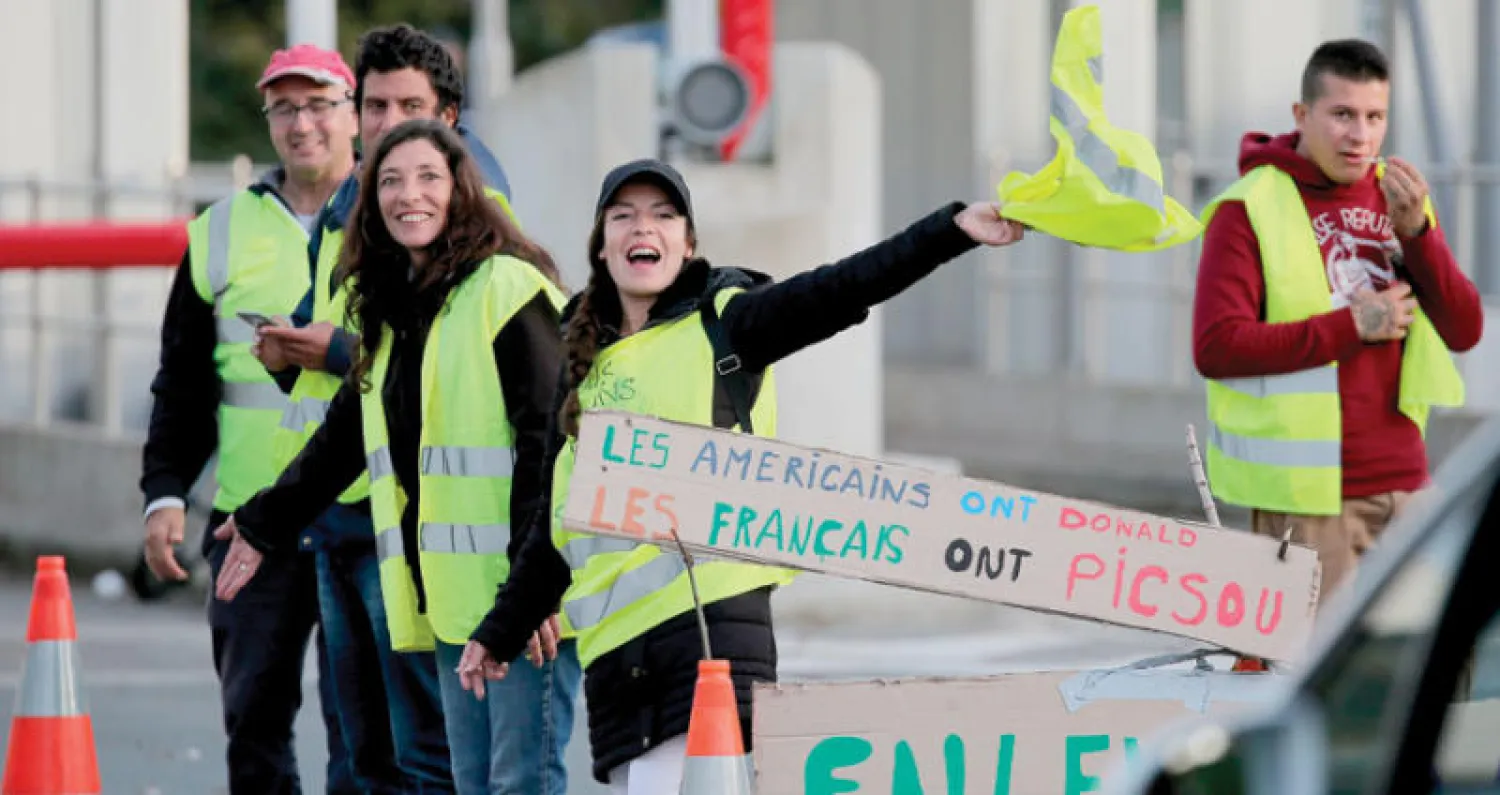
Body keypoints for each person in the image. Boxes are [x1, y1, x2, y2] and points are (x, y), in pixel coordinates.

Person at [461, 158, 1027, 793]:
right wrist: (499, 631)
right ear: (602, 246)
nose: (641, 228)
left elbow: (845, 285)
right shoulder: (581, 362)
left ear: (688, 243)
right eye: (622, 217)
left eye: (663, 216)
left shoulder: (726, 322)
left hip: (710, 648)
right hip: (618, 671)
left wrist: (952, 229)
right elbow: (557, 526)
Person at [216, 119, 579, 795]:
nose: (408, 194)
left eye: (428, 177)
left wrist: (534, 589)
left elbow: (550, 439)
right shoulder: (395, 308)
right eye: (389, 180)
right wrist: (264, 520)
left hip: (524, 603)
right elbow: (348, 435)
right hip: (453, 604)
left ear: (462, 190)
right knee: (472, 784)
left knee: (517, 784)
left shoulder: (505, 286)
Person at [249, 24, 527, 793]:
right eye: (374, 105)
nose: (385, 122)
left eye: (409, 104)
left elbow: (428, 368)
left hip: (415, 530)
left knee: (431, 756)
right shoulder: (358, 200)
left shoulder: (471, 207)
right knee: (365, 752)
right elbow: (358, 362)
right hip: (345, 515)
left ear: (451, 117)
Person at [1192, 40, 1482, 662]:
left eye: (1375, 117)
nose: (1360, 135)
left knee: (1428, 692)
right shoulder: (1250, 209)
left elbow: (1464, 329)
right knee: (1325, 707)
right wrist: (1350, 326)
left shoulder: (1398, 199)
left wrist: (1421, 236)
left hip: (1409, 490)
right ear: (1302, 115)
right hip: (1310, 505)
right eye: (1342, 115)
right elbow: (1216, 346)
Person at [138, 44, 360, 794]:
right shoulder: (220, 231)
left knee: (363, 736)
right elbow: (184, 380)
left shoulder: (396, 214)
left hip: (361, 517)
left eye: (320, 104)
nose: (303, 124)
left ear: (353, 114)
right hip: (250, 522)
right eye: (285, 108)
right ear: (268, 120)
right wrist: (165, 492)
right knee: (254, 731)